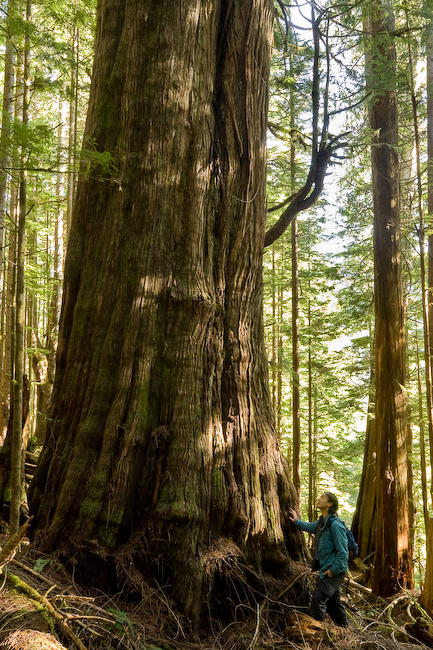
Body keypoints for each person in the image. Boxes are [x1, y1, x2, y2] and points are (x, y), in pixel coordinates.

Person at [288, 492, 348, 627]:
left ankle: (319, 630)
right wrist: (297, 521)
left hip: (334, 571)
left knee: (318, 598)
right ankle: (345, 630)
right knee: (333, 603)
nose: (319, 499)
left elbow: (343, 552)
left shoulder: (335, 525)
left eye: (322, 497)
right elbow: (310, 527)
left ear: (330, 504)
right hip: (328, 569)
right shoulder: (323, 522)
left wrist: (333, 570)